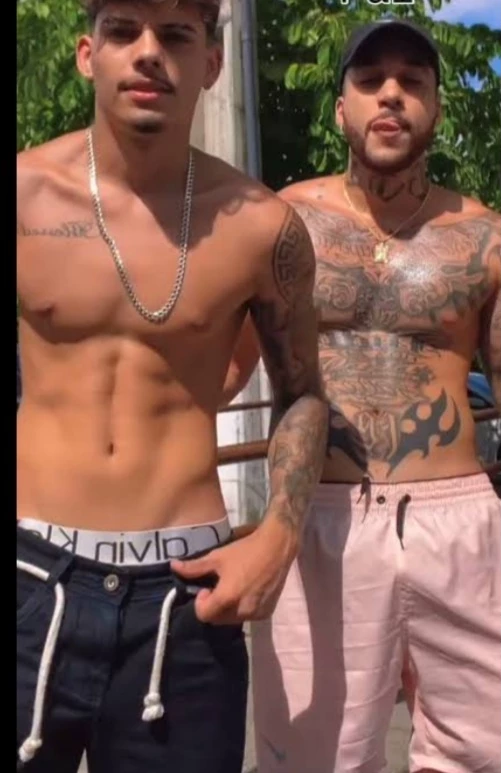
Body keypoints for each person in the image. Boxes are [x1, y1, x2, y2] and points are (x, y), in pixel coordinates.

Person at [16, 2, 328, 772]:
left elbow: (302, 392)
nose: (148, 52)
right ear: (87, 54)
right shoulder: (24, 197)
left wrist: (278, 536)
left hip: (186, 598)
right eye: (124, 30)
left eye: (176, 35)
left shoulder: (262, 228)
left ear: (211, 64)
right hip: (29, 573)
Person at [225, 18, 501, 773]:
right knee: (314, 760)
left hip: (458, 524)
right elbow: (218, 374)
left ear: (435, 108)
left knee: (486, 752)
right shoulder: (282, 223)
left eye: (412, 81)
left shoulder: (485, 237)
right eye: (370, 79)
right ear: (340, 107)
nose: (391, 94)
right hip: (320, 519)